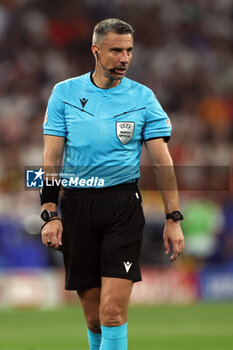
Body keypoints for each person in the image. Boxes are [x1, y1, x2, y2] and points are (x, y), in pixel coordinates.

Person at [40, 18, 185, 350]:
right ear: (96, 50)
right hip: (77, 206)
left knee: (113, 313)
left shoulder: (144, 98)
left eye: (129, 51)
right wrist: (50, 212)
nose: (124, 58)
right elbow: (51, 158)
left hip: (123, 206)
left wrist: (173, 218)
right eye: (116, 50)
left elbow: (163, 161)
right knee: (93, 318)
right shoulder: (64, 94)